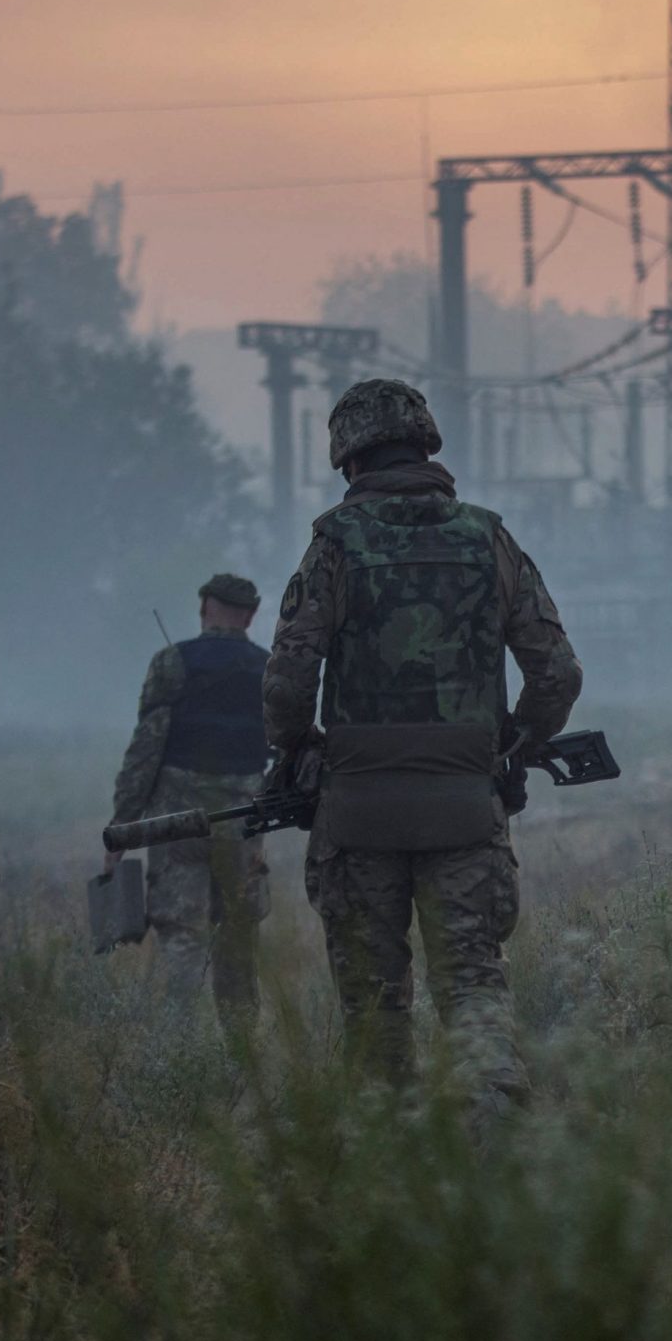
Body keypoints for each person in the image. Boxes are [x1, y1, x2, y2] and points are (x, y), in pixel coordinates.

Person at [262, 378, 582, 1123]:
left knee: (374, 1016)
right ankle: (490, 1150)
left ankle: (386, 1179)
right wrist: (516, 745)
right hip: (467, 813)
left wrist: (299, 750)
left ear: (348, 457)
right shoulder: (488, 539)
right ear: (426, 442)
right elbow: (558, 671)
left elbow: (285, 681)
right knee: (473, 990)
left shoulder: (333, 548)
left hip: (358, 818)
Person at [107, 572, 273, 1020]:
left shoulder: (172, 662)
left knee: (182, 935)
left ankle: (177, 1051)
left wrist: (121, 831)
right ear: (251, 615)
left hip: (178, 822)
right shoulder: (269, 667)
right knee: (237, 935)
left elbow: (145, 753)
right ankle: (242, 1059)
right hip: (243, 822)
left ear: (204, 608)